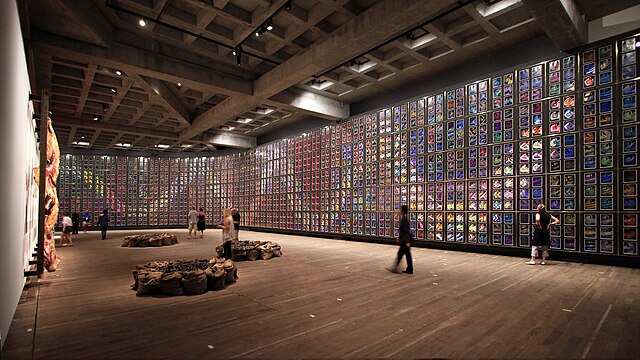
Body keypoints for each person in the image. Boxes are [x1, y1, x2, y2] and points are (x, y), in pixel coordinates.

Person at [387, 205, 413, 274]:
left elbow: (407, 231)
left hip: (405, 240)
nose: (399, 211)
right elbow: (403, 230)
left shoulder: (404, 219)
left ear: (402, 211)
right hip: (405, 240)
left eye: (400, 209)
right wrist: (399, 237)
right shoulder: (403, 218)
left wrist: (407, 241)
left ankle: (395, 268)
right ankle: (409, 269)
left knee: (400, 254)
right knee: (407, 255)